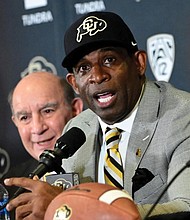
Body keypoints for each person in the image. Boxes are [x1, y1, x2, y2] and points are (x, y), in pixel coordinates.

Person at [4, 11, 190, 219]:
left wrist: (68, 205)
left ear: (139, 63)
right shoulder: (78, 128)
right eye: (84, 68)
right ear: (74, 83)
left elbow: (186, 208)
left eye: (109, 60)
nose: (98, 76)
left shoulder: (182, 115)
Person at [2, 71, 83, 219]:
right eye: (25, 117)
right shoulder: (9, 186)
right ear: (15, 122)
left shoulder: (104, 165)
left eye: (47, 111)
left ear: (75, 110)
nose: (38, 128)